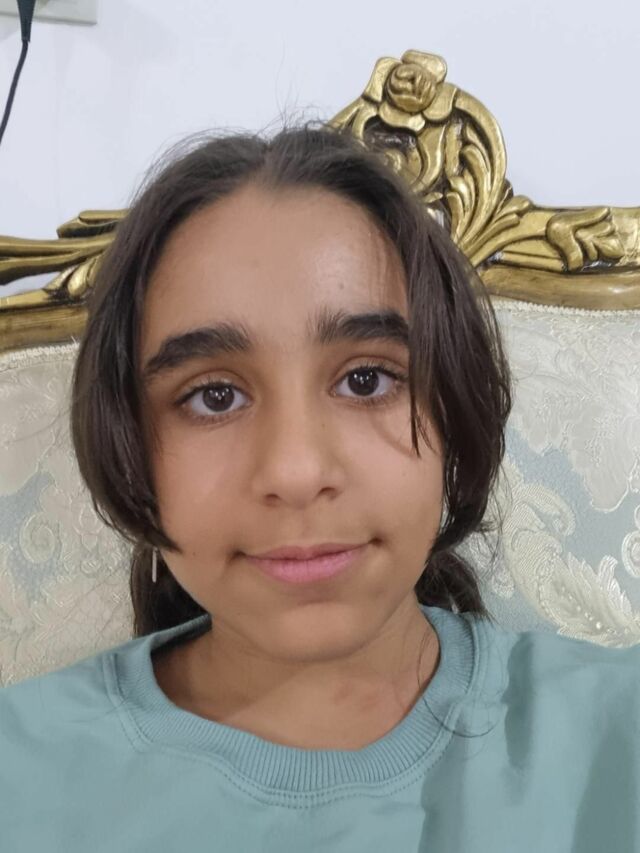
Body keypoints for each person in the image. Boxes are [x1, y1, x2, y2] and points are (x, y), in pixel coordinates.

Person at [1, 122, 638, 852]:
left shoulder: (616, 734)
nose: (296, 471)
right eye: (214, 396)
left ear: (454, 409)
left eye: (366, 380)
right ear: (127, 443)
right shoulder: (19, 776)